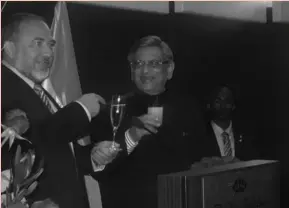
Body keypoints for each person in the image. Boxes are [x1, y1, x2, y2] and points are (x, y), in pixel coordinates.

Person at [1, 13, 120, 208]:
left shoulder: (35, 90)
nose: (48, 53)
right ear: (10, 48)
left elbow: (52, 152)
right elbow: (24, 144)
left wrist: (90, 157)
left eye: (51, 44)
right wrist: (81, 110)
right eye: (37, 43)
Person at [96, 36, 207, 208]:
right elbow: (100, 168)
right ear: (131, 71)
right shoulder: (113, 111)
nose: (145, 71)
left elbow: (200, 158)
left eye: (154, 64)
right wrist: (131, 134)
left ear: (169, 69)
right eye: (138, 64)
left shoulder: (188, 109)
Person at [201, 85, 258, 162]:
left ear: (233, 106)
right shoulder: (200, 134)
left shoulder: (246, 134)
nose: (222, 106)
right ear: (210, 104)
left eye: (227, 101)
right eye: (218, 101)